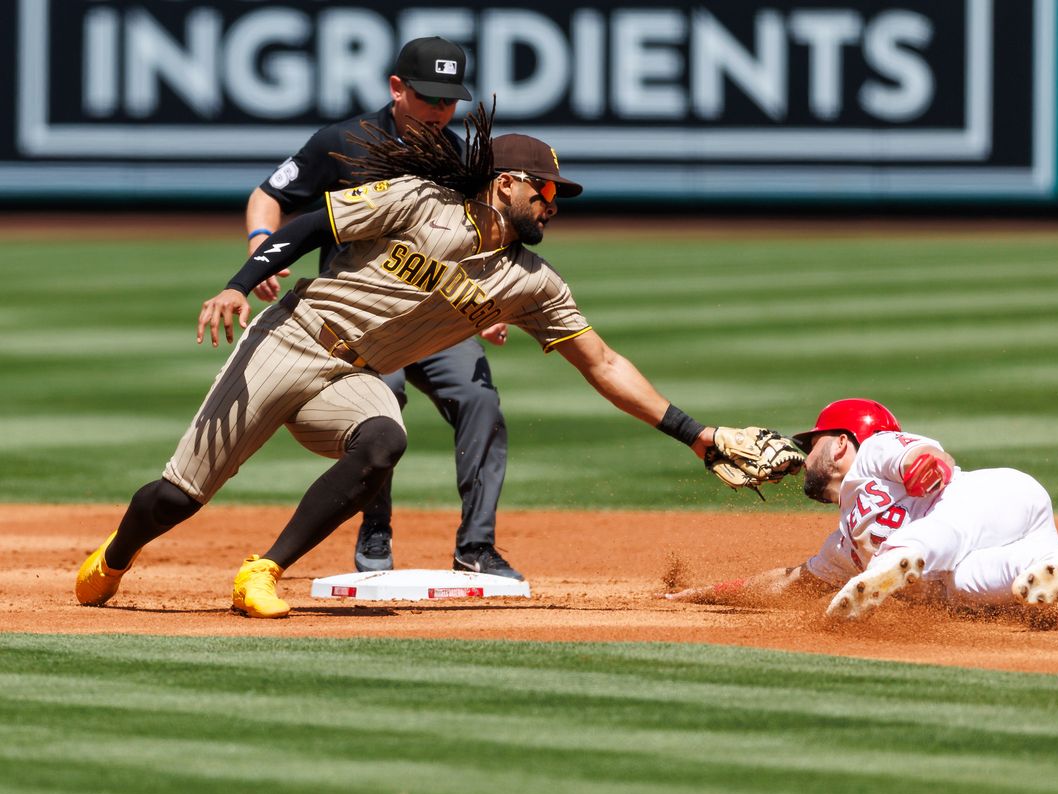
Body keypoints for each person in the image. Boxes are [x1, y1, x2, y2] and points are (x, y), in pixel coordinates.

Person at [75, 115, 728, 619]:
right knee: (177, 496)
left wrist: (696, 435)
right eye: (546, 189)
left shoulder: (534, 284)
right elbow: (309, 228)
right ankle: (114, 556)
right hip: (292, 338)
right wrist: (238, 285)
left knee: (385, 439)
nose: (553, 204)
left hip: (353, 376)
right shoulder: (421, 202)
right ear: (506, 183)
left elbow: (605, 363)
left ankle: (263, 572)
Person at [245, 36, 518, 578]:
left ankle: (477, 548)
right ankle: (374, 529)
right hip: (361, 320)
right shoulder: (343, 141)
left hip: (436, 315)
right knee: (380, 407)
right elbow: (269, 195)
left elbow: (479, 238)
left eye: (449, 101)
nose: (441, 111)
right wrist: (261, 246)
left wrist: (488, 303)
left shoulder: (459, 157)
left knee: (480, 401)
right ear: (397, 88)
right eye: (429, 98)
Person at [667, 398, 1058, 620]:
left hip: (994, 498)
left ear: (840, 443)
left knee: (941, 531)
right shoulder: (843, 545)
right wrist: (697, 594)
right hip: (1006, 542)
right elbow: (787, 582)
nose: (804, 454)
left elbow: (918, 453)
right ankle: (1050, 561)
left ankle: (895, 564)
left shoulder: (872, 453)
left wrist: (922, 464)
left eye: (810, 443)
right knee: (960, 588)